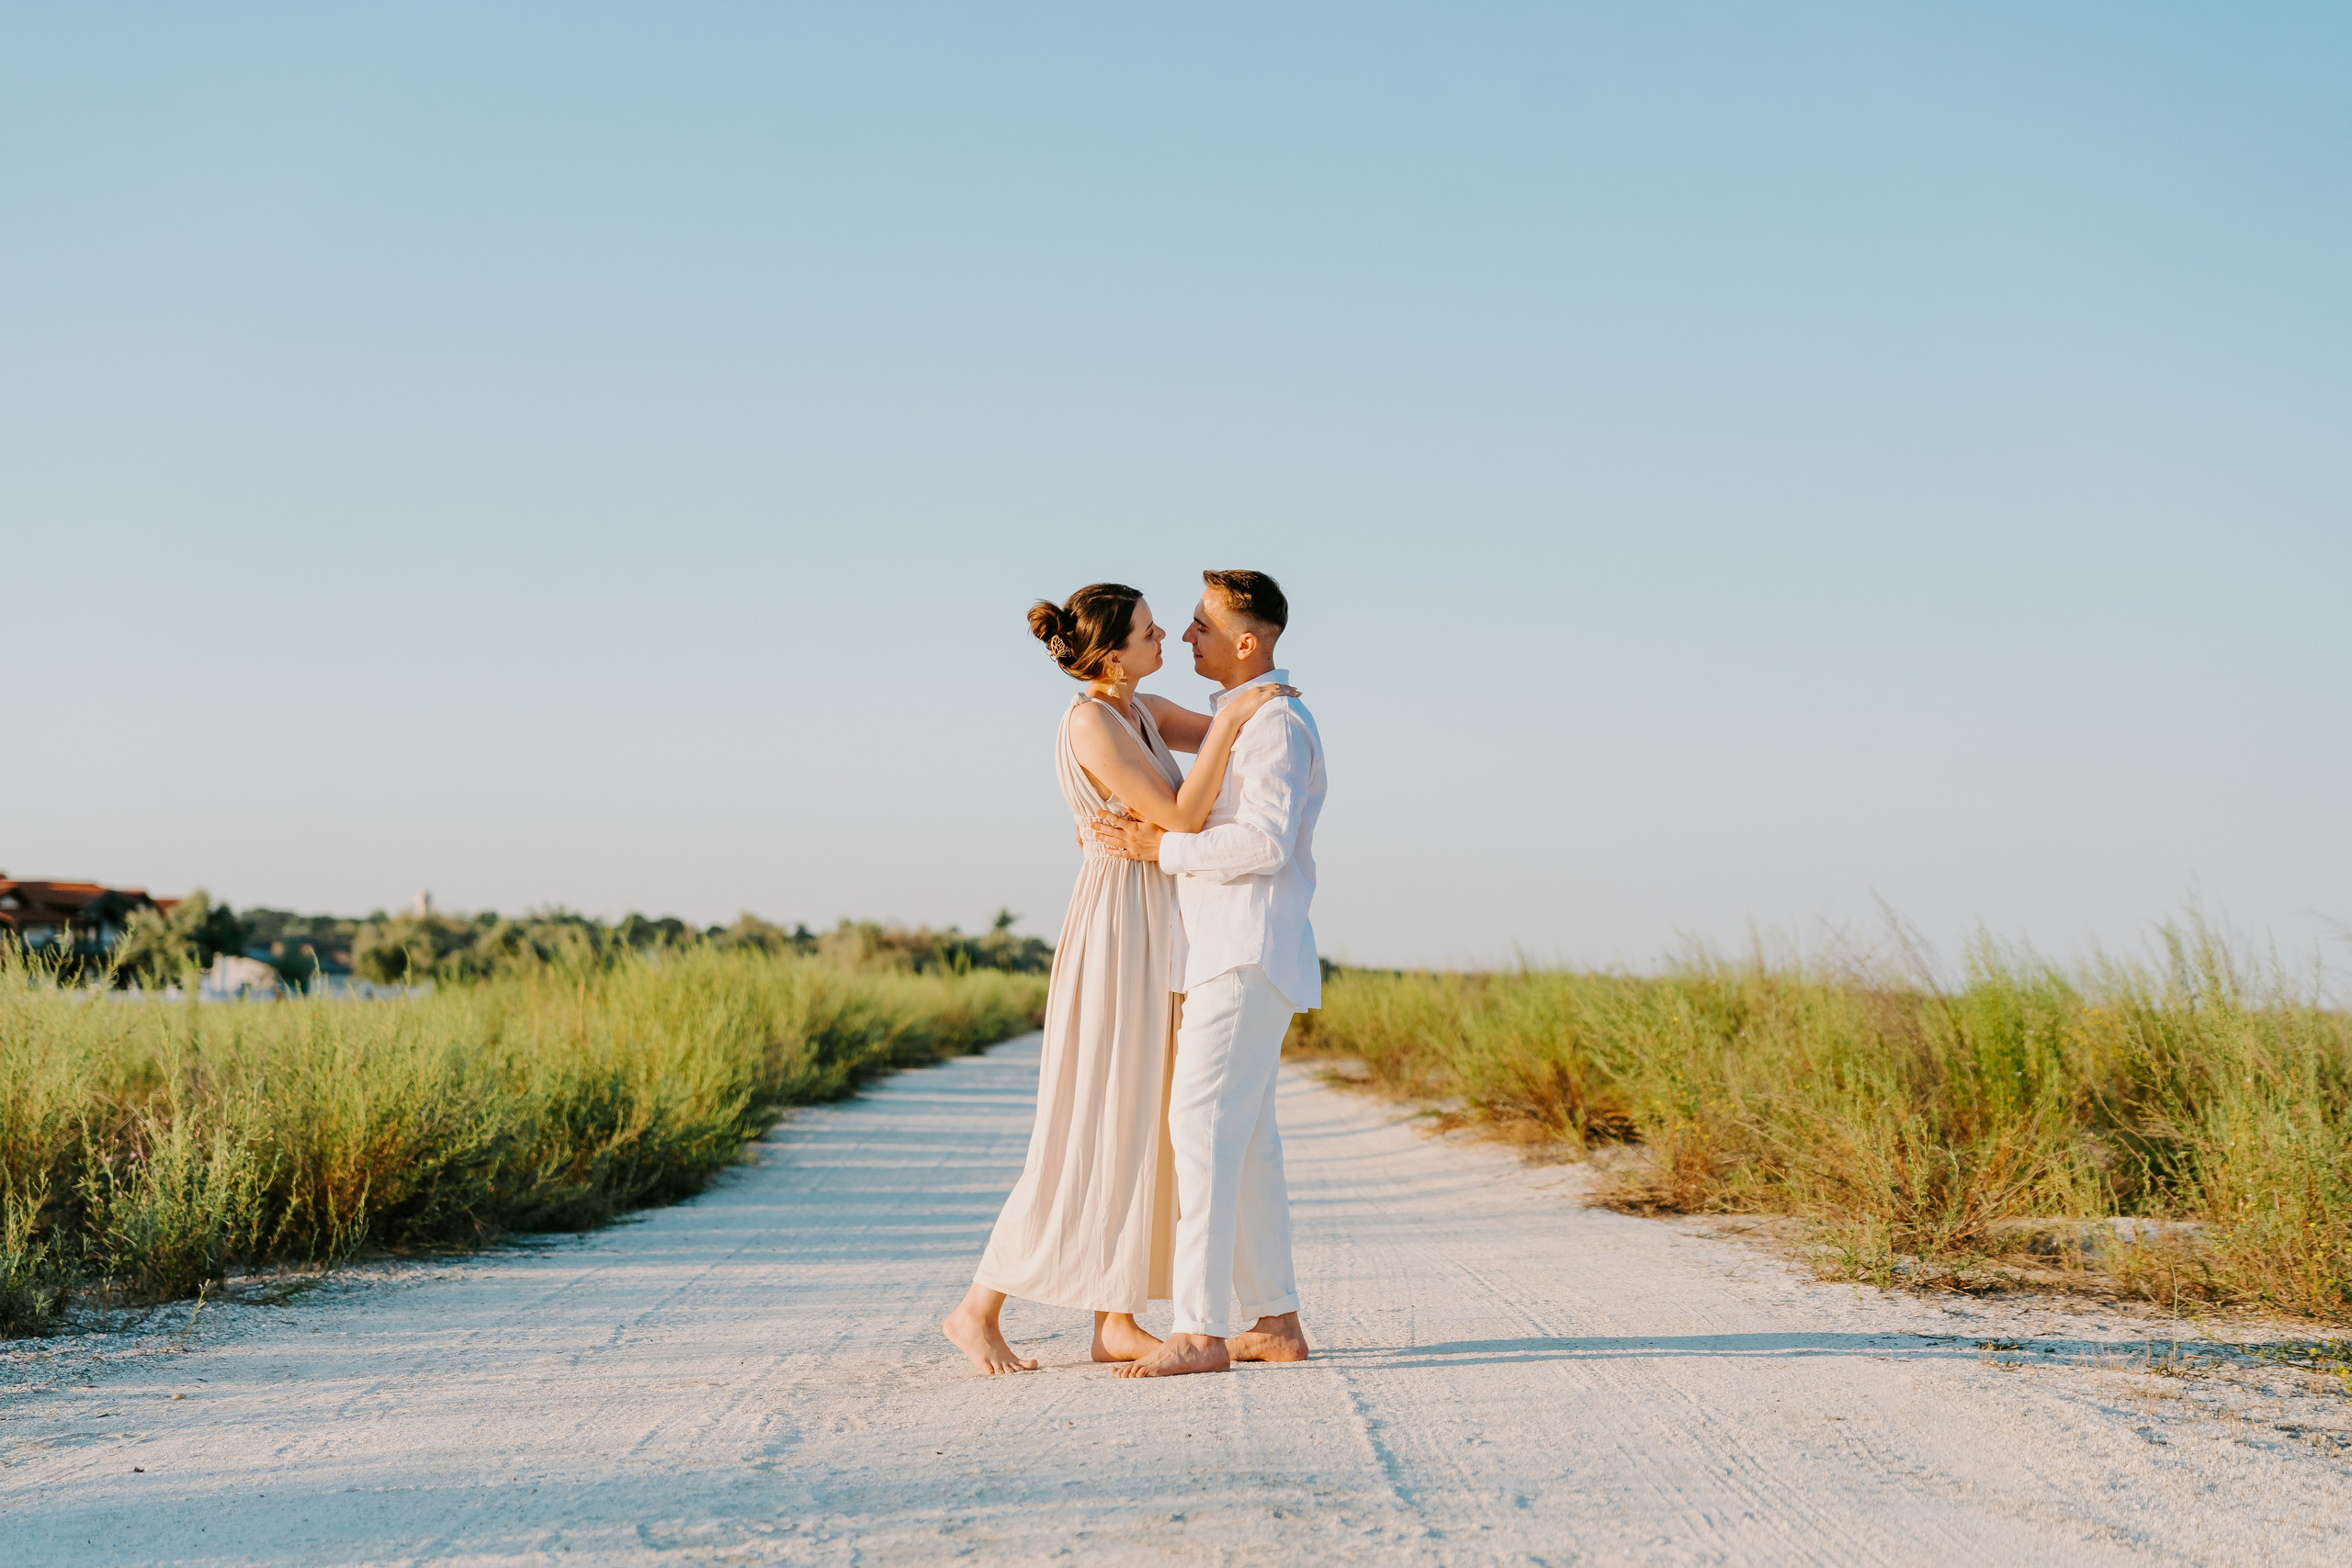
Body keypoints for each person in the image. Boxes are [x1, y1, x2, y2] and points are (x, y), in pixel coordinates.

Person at [942, 582, 1297, 1374]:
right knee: (1087, 1114)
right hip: (1116, 924)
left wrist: (1255, 695)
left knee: (1138, 1117)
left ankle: (1115, 1318)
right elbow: (1182, 812)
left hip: (1158, 917)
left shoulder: (1145, 708)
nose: (1166, 632)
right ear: (1110, 655)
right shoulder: (1090, 721)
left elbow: (1241, 740)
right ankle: (976, 1308)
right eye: (1148, 629)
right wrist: (1235, 715)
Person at [1094, 570, 1324, 1378]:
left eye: (1201, 624)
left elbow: (1264, 843)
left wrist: (1166, 848)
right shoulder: (1246, 715)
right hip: (1234, 951)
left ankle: (1196, 1329)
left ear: (1246, 642)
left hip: (1242, 951)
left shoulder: (1276, 726)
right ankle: (1277, 1321)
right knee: (1249, 1143)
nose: (1187, 635)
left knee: (1199, 1130)